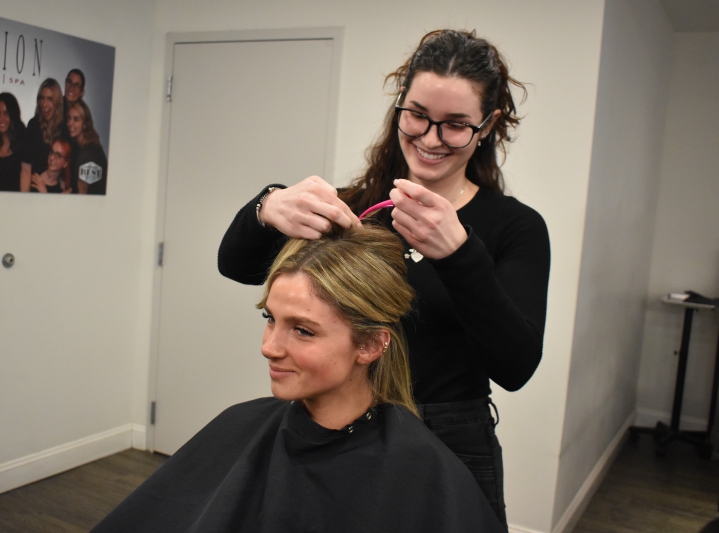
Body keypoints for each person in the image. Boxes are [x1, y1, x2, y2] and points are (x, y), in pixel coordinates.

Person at [217, 29, 551, 526]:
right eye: (417, 115)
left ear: (488, 125)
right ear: (400, 104)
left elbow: (516, 365)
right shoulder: (352, 209)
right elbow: (237, 265)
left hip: (450, 439)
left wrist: (460, 257)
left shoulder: (515, 228)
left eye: (456, 125)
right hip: (337, 428)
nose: (430, 138)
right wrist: (267, 206)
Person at [92, 224, 504, 533]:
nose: (269, 347)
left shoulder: (422, 469)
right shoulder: (241, 425)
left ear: (371, 345)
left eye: (302, 330)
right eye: (270, 320)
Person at [20, 78, 64, 192]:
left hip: (55, 192)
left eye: (50, 99)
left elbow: (66, 171)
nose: (44, 104)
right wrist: (23, 198)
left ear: (57, 102)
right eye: (42, 98)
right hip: (35, 189)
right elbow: (25, 169)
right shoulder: (34, 126)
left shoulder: (64, 129)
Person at [67, 100, 107, 194]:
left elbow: (83, 197)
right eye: (69, 118)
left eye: (76, 119)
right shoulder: (90, 146)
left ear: (85, 123)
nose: (70, 123)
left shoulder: (87, 156)